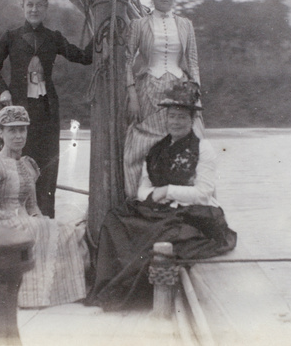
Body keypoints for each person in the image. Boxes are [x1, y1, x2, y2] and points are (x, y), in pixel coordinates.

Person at [86, 82, 236, 311]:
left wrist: (167, 191)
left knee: (158, 232)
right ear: (166, 118)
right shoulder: (156, 149)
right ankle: (112, 288)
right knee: (115, 219)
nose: (175, 122)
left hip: (193, 211)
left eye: (181, 117)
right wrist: (154, 196)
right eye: (172, 116)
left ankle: (138, 295)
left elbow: (203, 193)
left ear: (192, 119)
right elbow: (143, 189)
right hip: (159, 208)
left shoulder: (203, 149)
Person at [0, 0, 93, 218]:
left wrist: (100, 29)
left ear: (46, 7)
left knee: (45, 168)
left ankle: (44, 221)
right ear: (22, 7)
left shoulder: (53, 38)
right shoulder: (11, 37)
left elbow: (84, 57)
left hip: (46, 115)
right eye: (29, 5)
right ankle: (3, 219)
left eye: (38, 5)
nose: (34, 9)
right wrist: (2, 90)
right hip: (17, 114)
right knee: (8, 165)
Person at [0, 105, 87, 308]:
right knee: (38, 230)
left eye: (22, 130)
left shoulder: (27, 165)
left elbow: (33, 206)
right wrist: (23, 220)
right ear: (1, 133)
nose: (18, 136)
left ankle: (56, 293)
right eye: (12, 130)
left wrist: (43, 223)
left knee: (69, 231)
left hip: (24, 221)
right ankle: (29, 297)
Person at [123, 0, 203, 198]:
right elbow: (127, 61)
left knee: (188, 142)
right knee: (142, 148)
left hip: (181, 93)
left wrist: (196, 93)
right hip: (149, 91)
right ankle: (139, 201)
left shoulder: (186, 25)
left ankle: (186, 202)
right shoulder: (139, 25)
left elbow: (193, 62)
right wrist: (132, 95)